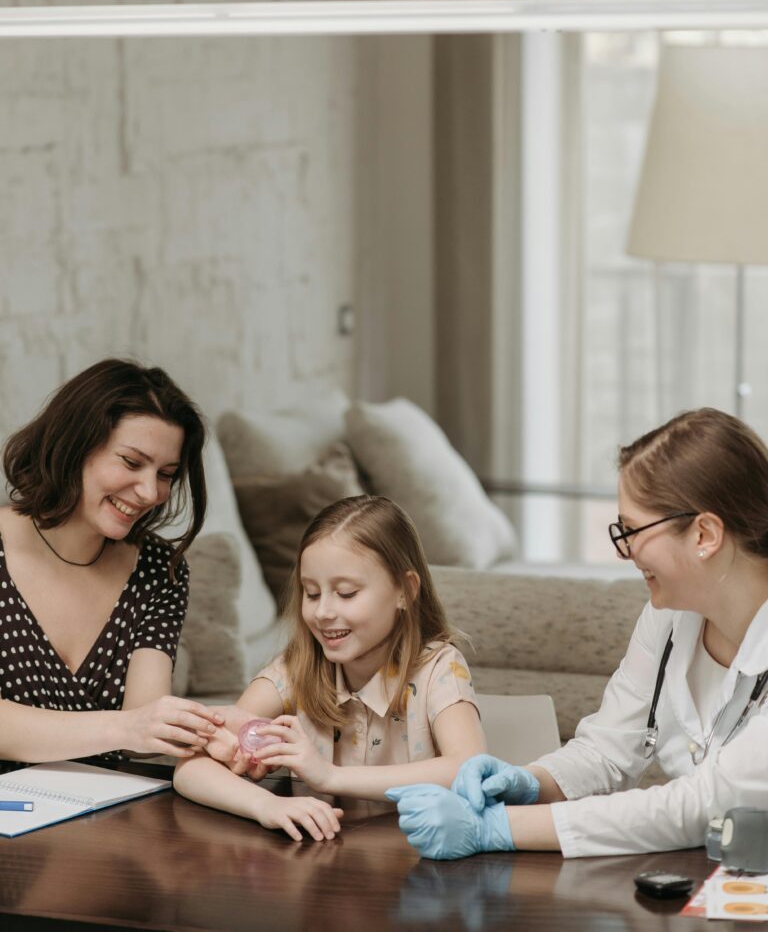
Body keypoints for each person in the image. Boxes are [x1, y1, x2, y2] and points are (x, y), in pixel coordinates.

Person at [387, 407, 768, 859]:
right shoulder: (668, 617)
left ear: (704, 534)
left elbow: (703, 802)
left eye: (633, 530)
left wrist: (497, 827)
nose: (625, 551)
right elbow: (608, 749)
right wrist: (530, 782)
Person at [173, 494, 486, 841]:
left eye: (347, 593)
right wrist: (266, 805)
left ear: (405, 590)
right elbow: (190, 771)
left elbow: (467, 767)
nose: (322, 612)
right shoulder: (295, 669)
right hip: (322, 867)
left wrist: (329, 776)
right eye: (311, 593)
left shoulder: (438, 668)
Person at [0, 358, 224, 763]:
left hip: (107, 810)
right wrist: (126, 727)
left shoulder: (159, 569)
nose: (149, 491)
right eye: (132, 462)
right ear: (74, 445)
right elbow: (133, 726)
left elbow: (145, 730)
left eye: (166, 473)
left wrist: (216, 731)